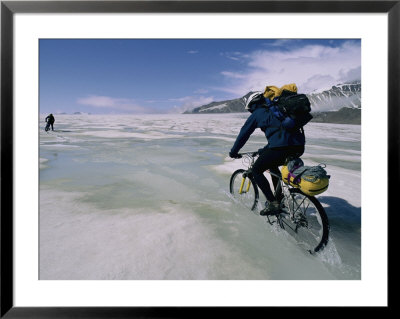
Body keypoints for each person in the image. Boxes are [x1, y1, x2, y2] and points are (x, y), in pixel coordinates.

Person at [229, 90, 305, 216]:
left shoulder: (258, 113)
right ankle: (279, 197)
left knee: (256, 170)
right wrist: (264, 150)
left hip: (281, 149)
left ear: (253, 105)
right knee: (272, 164)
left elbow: (244, 134)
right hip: (298, 147)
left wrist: (233, 152)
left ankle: (273, 203)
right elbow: (281, 134)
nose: (251, 112)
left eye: (250, 110)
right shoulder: (279, 110)